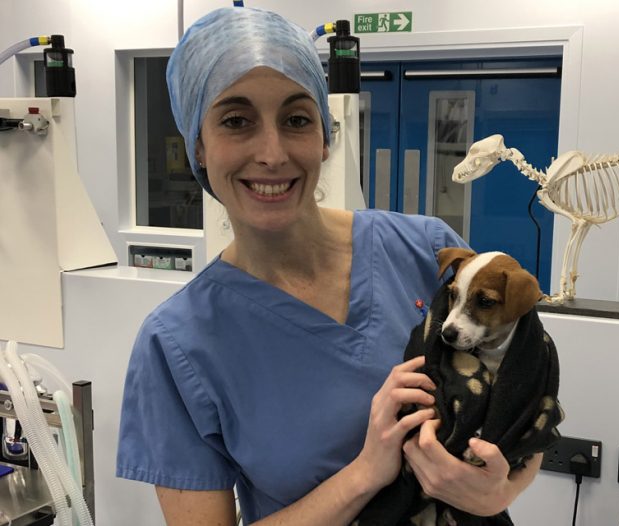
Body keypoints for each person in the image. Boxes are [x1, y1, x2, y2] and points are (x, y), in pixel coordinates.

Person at [116, 7, 542, 525]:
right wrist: (366, 472)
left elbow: (529, 398)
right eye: (236, 120)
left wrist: (499, 491)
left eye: (296, 119)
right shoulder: (177, 343)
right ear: (199, 146)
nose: (272, 153)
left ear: (325, 135)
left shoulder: (427, 252)